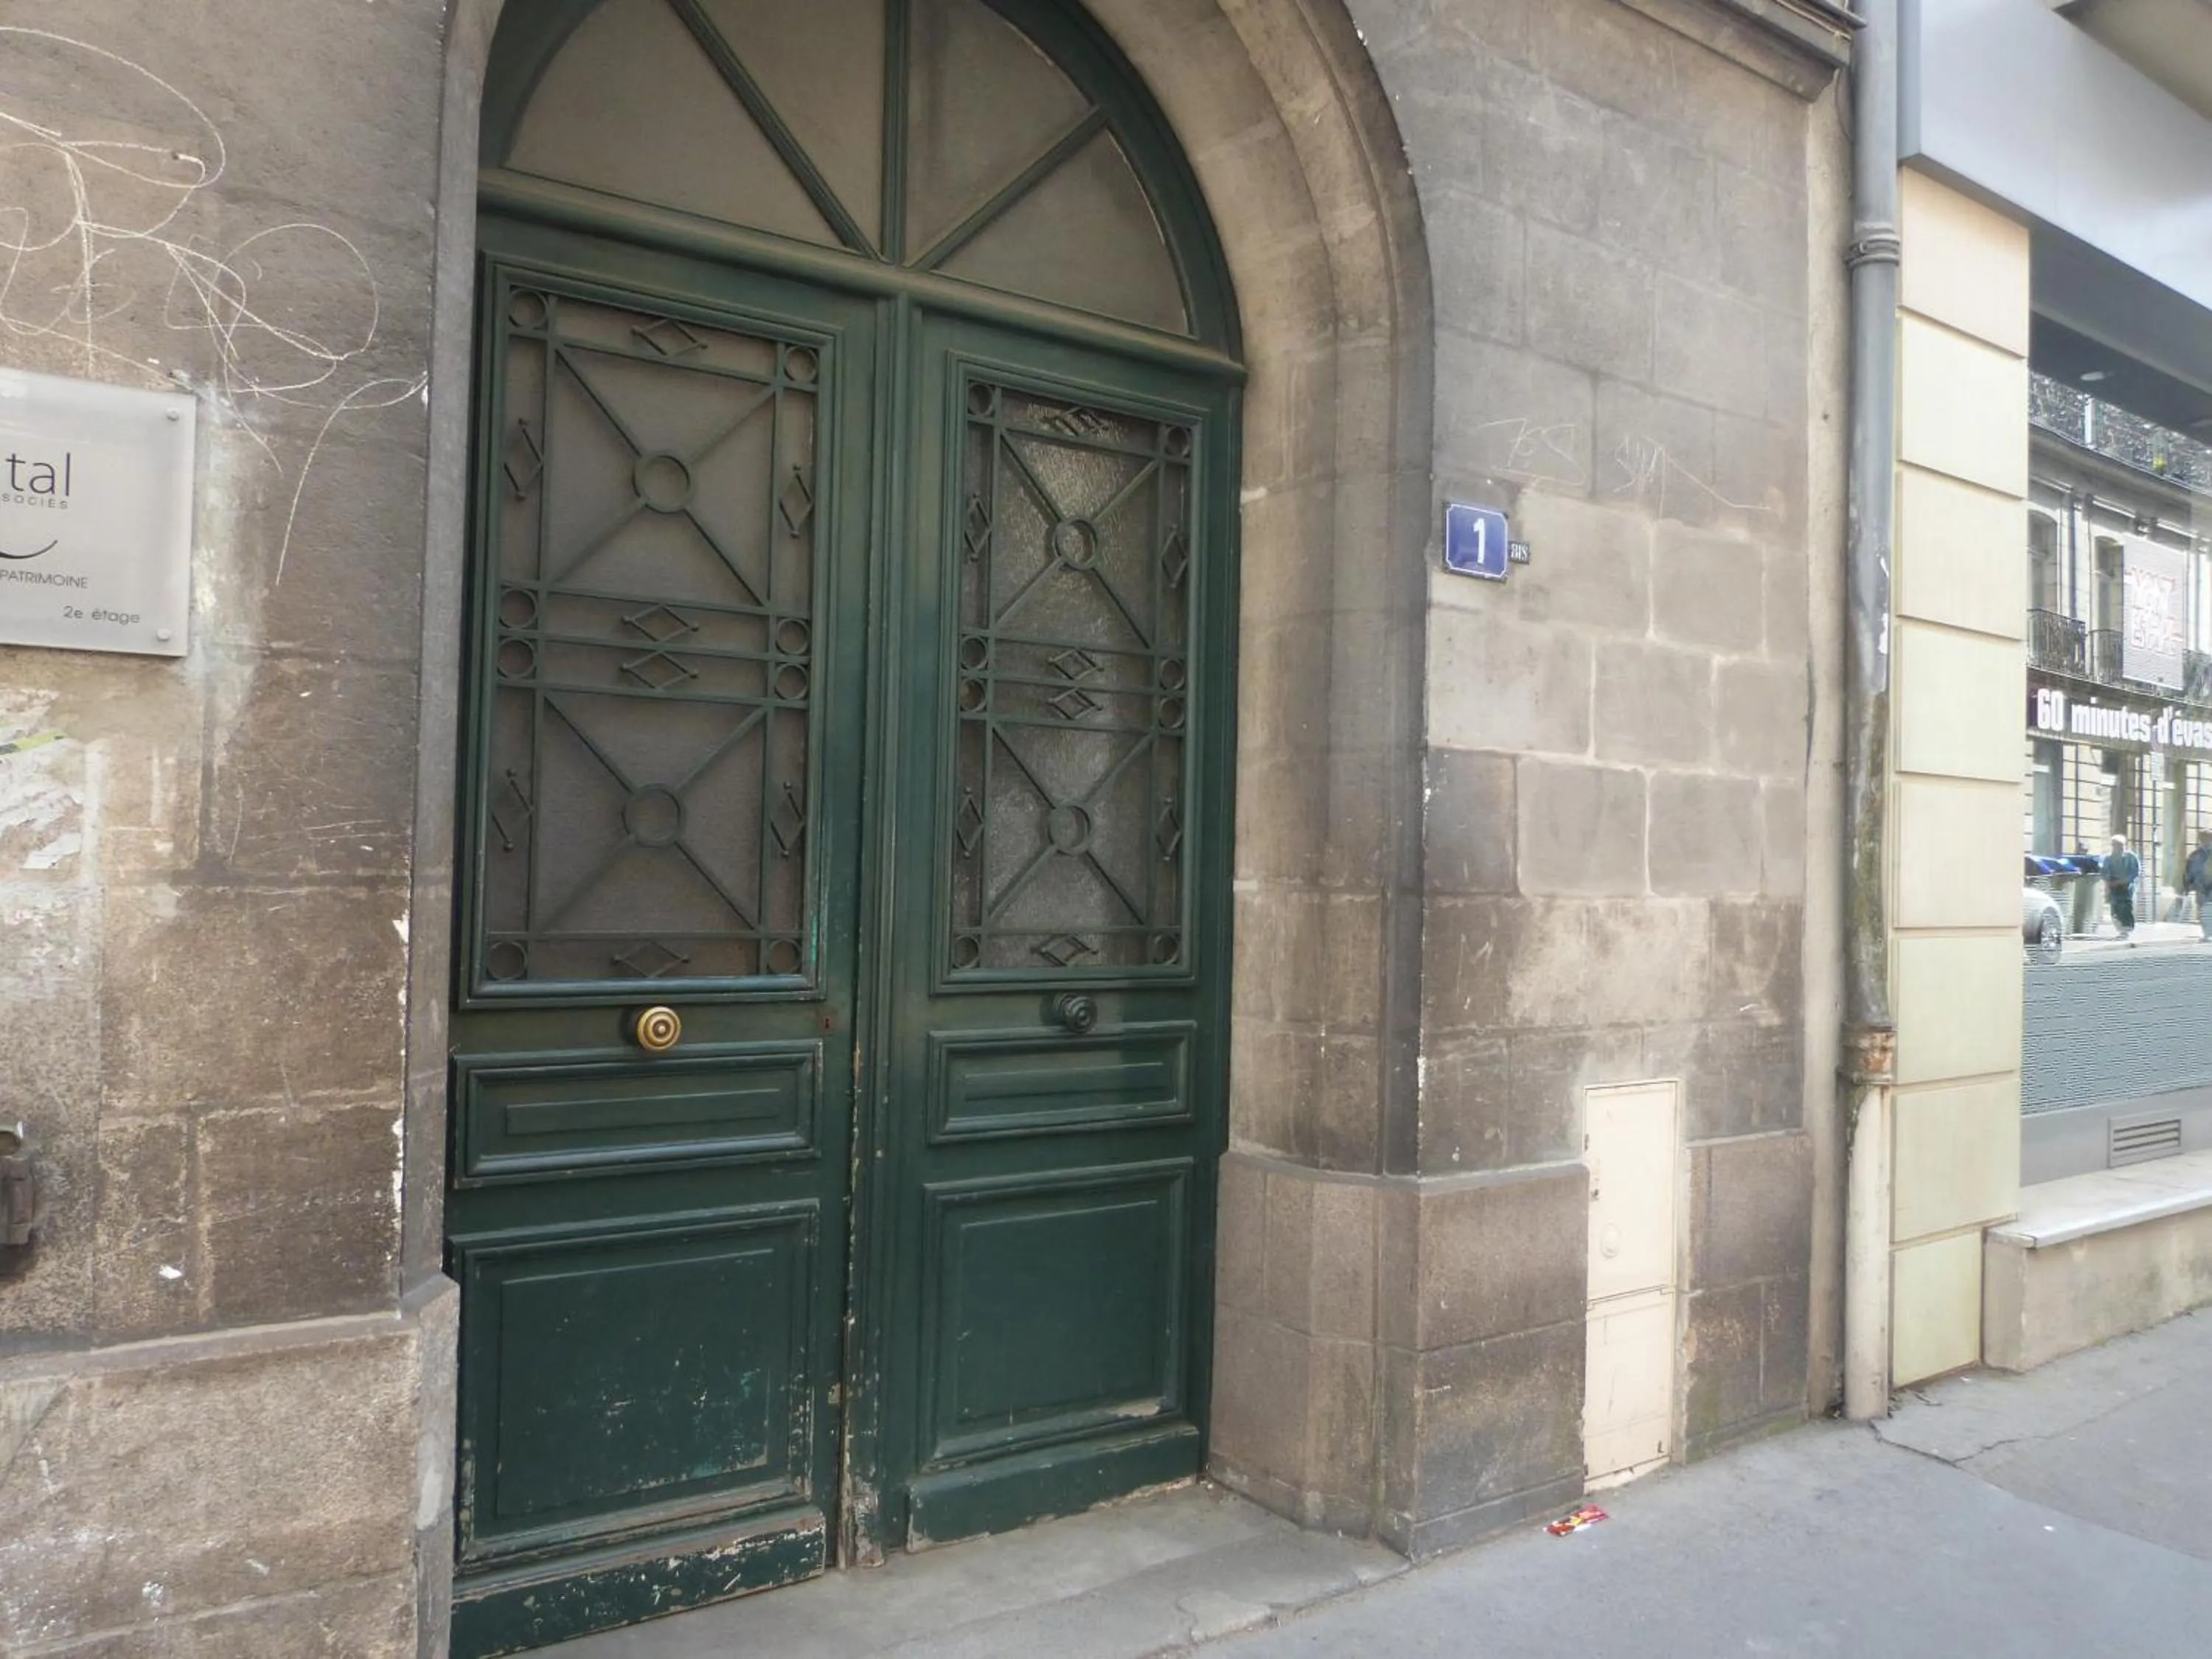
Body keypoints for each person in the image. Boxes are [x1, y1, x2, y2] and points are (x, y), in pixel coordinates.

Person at [2104, 835, 2141, 945]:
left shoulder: (2131, 857)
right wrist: (2110, 881)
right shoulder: (2109, 858)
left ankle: (2126, 929)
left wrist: (2125, 881)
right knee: (2115, 909)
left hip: (2127, 887)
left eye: (2121, 845)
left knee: (2126, 907)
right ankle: (2121, 929)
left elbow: (2136, 872)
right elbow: (2105, 871)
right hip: (2114, 887)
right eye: (2116, 845)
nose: (2119, 848)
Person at [2188, 830, 2212, 942]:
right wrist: (2190, 883)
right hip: (2200, 886)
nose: (2204, 841)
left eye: (2206, 839)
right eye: (2202, 839)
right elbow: (2189, 870)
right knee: (2203, 910)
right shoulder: (2195, 855)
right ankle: (2206, 933)